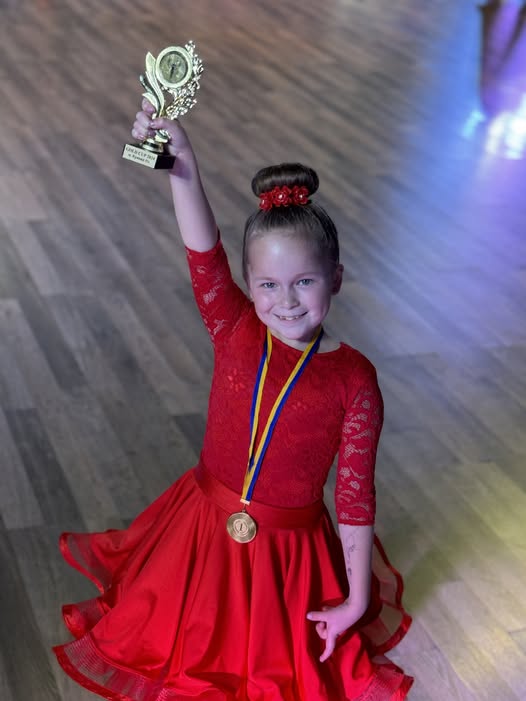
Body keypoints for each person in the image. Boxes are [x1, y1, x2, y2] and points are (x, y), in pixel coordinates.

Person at [52, 99, 413, 700]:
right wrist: (183, 164)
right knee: (186, 651)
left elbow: (354, 497)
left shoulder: (355, 380)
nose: (286, 301)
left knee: (272, 671)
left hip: (288, 561)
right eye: (268, 284)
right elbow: (203, 252)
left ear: (336, 278)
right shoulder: (235, 325)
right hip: (198, 533)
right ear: (248, 283)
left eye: (304, 281)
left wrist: (354, 601)